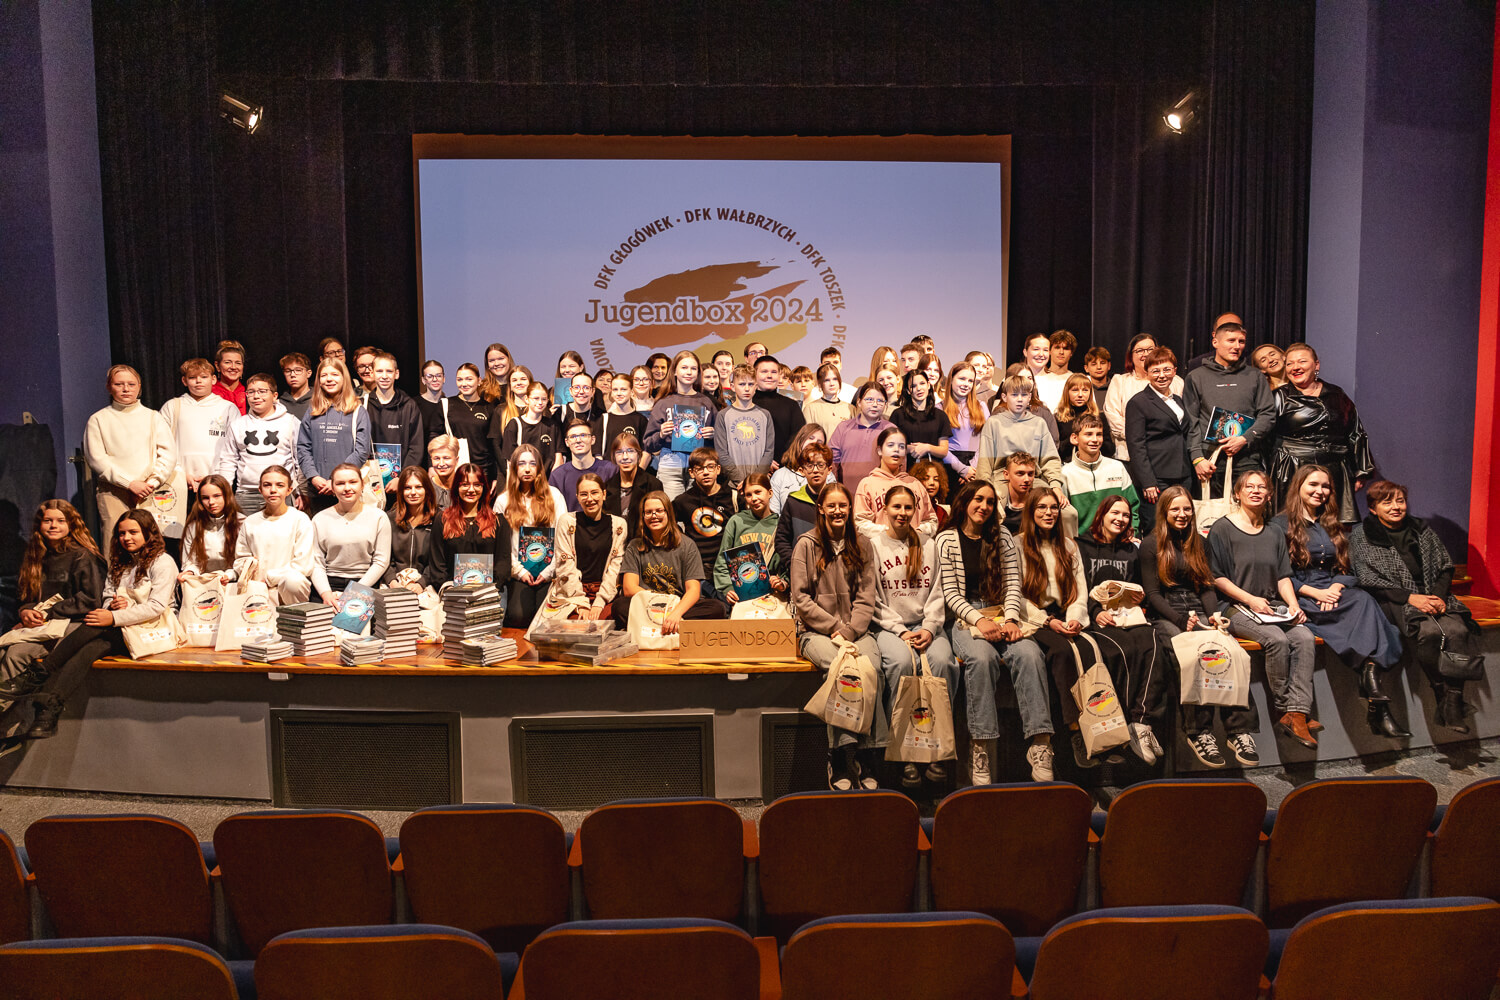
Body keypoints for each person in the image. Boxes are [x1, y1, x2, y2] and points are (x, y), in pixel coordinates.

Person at [0, 511, 177, 756]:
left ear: (148, 533)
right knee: (94, 647)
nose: (126, 538)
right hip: (119, 629)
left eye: (133, 532)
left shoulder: (163, 561)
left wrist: (113, 616)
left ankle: (42, 672)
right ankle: (50, 710)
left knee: (95, 625)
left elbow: (157, 606)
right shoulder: (120, 562)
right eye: (122, 533)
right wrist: (112, 607)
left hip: (151, 629)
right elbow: (106, 599)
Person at [934, 479, 1056, 782]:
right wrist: (979, 620)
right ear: (965, 501)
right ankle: (981, 749)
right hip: (965, 617)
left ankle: (1040, 746)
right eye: (978, 499)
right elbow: (950, 594)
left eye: (990, 502)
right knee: (981, 658)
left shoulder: (1002, 536)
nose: (984, 507)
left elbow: (1013, 583)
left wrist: (1012, 619)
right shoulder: (947, 539)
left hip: (1001, 611)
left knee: (1029, 654)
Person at [1276, 465, 1409, 738]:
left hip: (1333, 593)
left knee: (1362, 599)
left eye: (1325, 486)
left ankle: (1371, 682)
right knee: (1373, 619)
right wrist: (1316, 594)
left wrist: (1336, 586)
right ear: (1299, 487)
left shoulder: (1331, 523)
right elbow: (1279, 575)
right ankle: (1376, 701)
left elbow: (1350, 571)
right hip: (1304, 596)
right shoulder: (1279, 525)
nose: (1320, 491)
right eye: (1313, 485)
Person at [1351, 480, 1481, 733]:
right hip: (1394, 600)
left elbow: (1445, 566)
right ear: (1373, 508)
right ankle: (1443, 694)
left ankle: (1452, 699)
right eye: (1386, 502)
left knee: (1459, 631)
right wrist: (1411, 598)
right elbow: (1367, 579)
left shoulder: (1422, 530)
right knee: (1430, 633)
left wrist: (1438, 597)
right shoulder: (1362, 534)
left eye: (1400, 500)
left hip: (1433, 596)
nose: (1395, 507)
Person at [1014, 488, 1130, 769]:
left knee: (1092, 650)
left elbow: (1080, 590)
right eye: (1041, 507)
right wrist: (1047, 621)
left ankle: (1105, 731)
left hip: (1067, 615)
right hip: (1035, 618)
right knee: (1063, 652)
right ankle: (1077, 732)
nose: (1048, 513)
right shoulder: (1016, 545)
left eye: (1053, 507)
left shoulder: (1068, 545)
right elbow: (1015, 594)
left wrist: (1076, 616)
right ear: (1031, 512)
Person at [1141, 486, 1256, 768]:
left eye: (1187, 509)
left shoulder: (1200, 543)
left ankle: (1239, 730)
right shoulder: (1150, 544)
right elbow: (1153, 596)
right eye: (1175, 509)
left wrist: (1214, 615)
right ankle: (1199, 732)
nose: (1182, 514)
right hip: (1166, 614)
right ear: (1164, 512)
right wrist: (1181, 621)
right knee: (1195, 656)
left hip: (1197, 609)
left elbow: (1205, 585)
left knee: (1232, 652)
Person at [1207, 469, 1320, 748]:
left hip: (1272, 606)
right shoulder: (1222, 528)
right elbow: (1216, 576)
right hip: (1235, 607)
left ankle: (1298, 711)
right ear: (1237, 493)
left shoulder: (1273, 531)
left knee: (1304, 636)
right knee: (1276, 639)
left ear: (1269, 495)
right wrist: (1250, 599)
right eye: (1249, 487)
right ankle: (1285, 709)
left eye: (1261, 487)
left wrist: (1294, 606)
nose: (1255, 491)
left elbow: (1283, 576)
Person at [789, 482, 885, 789]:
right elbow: (801, 598)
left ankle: (865, 754)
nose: (837, 511)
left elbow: (867, 596)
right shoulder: (806, 544)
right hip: (816, 632)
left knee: (872, 667)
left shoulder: (863, 544)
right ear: (820, 509)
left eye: (842, 505)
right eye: (831, 505)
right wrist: (833, 628)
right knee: (840, 669)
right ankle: (842, 756)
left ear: (850, 508)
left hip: (855, 629)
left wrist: (851, 630)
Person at [867, 484, 960, 786]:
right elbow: (874, 599)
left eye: (909, 508)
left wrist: (931, 628)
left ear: (917, 511)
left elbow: (937, 593)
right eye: (897, 507)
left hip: (926, 625)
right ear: (885, 509)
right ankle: (904, 748)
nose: (903, 513)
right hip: (890, 626)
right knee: (901, 665)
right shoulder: (874, 545)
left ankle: (936, 747)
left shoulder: (928, 544)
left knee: (944, 662)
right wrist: (900, 631)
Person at [1075, 494, 1170, 764]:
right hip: (1095, 618)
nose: (1120, 519)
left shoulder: (1131, 550)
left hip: (1126, 615)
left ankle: (1140, 724)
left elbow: (1141, 587)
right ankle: (1120, 724)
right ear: (1102, 515)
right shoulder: (1081, 546)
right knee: (1123, 648)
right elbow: (1077, 589)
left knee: (1153, 640)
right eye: (1115, 513)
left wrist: (1139, 603)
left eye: (1126, 515)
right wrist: (1095, 612)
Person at [0, 501, 105, 698]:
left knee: (17, 655)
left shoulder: (82, 556)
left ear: (71, 524)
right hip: (44, 623)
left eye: (60, 521)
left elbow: (91, 600)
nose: (53, 526)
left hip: (75, 623)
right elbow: (27, 596)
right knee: (5, 651)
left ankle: (9, 722)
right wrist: (26, 611)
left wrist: (48, 612)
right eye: (48, 520)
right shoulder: (36, 554)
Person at [1268, 342, 1376, 522]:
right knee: (1293, 526)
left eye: (1301, 361)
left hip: (1334, 469)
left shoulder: (1336, 394)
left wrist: (1361, 470)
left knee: (1333, 527)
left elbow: (1354, 431)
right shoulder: (1279, 396)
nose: (1295, 367)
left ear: (1316, 365)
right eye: (1289, 363)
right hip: (1292, 468)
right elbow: (1265, 435)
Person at [85, 364, 176, 556]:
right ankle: (116, 586)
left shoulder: (154, 417)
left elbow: (168, 455)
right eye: (119, 384)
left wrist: (151, 483)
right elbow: (97, 459)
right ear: (110, 387)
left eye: (131, 384)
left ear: (139, 387)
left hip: (149, 492)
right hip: (114, 492)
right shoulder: (98, 420)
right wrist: (129, 483)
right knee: (115, 546)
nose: (126, 389)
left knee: (150, 545)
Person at [616, 490, 727, 630]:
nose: (654, 516)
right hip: (648, 604)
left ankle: (658, 625)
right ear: (643, 516)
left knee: (717, 608)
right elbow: (629, 588)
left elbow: (693, 590)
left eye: (659, 511)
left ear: (668, 513)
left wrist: (676, 613)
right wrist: (661, 606)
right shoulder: (635, 546)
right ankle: (673, 626)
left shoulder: (687, 545)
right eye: (649, 512)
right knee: (620, 607)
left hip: (678, 605)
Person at [1185, 321, 1276, 489]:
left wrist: (1244, 439)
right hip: (1210, 460)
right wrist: (1197, 457)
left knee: (1249, 512)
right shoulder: (1196, 377)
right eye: (1231, 340)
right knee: (1211, 513)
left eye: (1241, 341)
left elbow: (1268, 415)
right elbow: (1192, 421)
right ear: (1215, 342)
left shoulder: (1255, 376)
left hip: (1247, 458)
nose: (1237, 346)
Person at [974, 374, 1072, 531]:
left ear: (1030, 397)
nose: (1019, 399)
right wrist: (985, 486)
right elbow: (985, 461)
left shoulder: (1038, 423)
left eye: (1024, 394)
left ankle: (1063, 551)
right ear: (1005, 397)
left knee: (1068, 513)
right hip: (1002, 479)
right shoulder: (994, 423)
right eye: (1014, 395)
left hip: (1033, 478)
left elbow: (1050, 459)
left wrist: (1055, 486)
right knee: (994, 509)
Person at [1124, 347, 1194, 534]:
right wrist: (1147, 481)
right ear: (1147, 374)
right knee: (1157, 530)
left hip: (1183, 474)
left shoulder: (1178, 400)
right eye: (1155, 371)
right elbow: (1135, 444)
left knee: (1181, 528)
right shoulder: (1138, 402)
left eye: (1166, 370)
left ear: (1175, 371)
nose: (1161, 375)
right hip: (1156, 479)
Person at [495, 444, 566, 627]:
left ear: (540, 468)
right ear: (514, 468)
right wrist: (519, 571)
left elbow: (562, 537)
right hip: (519, 572)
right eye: (522, 463)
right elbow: (501, 546)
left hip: (550, 571)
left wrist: (549, 571)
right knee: (519, 616)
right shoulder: (503, 500)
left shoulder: (555, 496)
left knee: (545, 618)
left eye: (532, 464)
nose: (527, 469)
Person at [215, 372, 305, 515]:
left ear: (274, 396)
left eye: (262, 391)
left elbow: (300, 459)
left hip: (282, 493)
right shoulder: (238, 425)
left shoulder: (290, 422)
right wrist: (223, 492)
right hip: (246, 494)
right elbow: (228, 460)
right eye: (251, 392)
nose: (256, 396)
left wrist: (300, 491)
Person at [547, 473, 628, 620]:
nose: (589, 499)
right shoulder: (566, 521)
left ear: (604, 494)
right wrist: (581, 603)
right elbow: (564, 566)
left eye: (594, 493)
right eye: (584, 494)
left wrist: (599, 602)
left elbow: (615, 568)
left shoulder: (619, 525)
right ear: (577, 497)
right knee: (573, 629)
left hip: (605, 593)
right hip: (572, 593)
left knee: (604, 628)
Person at [310, 463, 391, 606]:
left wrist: (356, 591)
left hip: (365, 583)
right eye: (340, 483)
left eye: (353, 482)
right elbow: (316, 563)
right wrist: (326, 593)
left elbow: (381, 561)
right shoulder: (319, 519)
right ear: (333, 488)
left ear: (362, 485)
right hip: (328, 585)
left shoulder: (379, 517)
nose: (347, 488)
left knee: (353, 626)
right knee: (324, 627)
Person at [297, 358, 372, 514]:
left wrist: (337, 481)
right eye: (324, 375)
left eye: (334, 374)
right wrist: (314, 477)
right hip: (318, 489)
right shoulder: (312, 410)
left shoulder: (357, 410)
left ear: (343, 377)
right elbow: (303, 448)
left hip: (348, 489)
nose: (329, 379)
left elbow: (362, 451)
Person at [233, 466, 315, 605]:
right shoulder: (250, 522)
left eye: (280, 485)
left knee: (293, 580)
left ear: (289, 490)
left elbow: (303, 565)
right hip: (257, 586)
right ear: (260, 489)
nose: (273, 490)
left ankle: (293, 619)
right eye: (267, 485)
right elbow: (241, 558)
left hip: (288, 588)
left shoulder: (300, 519)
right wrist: (254, 576)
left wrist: (270, 578)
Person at [645, 350, 717, 501]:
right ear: (675, 371)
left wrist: (713, 435)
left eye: (693, 368)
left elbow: (721, 442)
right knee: (672, 511)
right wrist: (661, 434)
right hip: (670, 463)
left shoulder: (706, 402)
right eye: (684, 367)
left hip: (699, 464)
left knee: (697, 514)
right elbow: (648, 444)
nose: (689, 372)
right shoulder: (664, 403)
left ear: (698, 373)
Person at [161, 358, 240, 494]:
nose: (198, 381)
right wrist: (180, 474)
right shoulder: (172, 406)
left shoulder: (228, 408)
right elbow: (162, 445)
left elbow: (235, 449)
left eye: (204, 377)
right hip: (179, 482)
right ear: (184, 381)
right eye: (192, 377)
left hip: (217, 484)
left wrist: (217, 478)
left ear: (213, 379)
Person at [428, 463, 511, 591]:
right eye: (465, 484)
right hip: (453, 593)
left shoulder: (498, 521)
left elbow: (503, 563)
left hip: (490, 593)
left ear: (484, 488)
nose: (471, 490)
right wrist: (450, 590)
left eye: (477, 485)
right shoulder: (442, 519)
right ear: (456, 487)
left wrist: (489, 590)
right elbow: (437, 563)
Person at [1104, 333, 1183, 466]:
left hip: (1168, 454)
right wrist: (1143, 436)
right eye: (1140, 350)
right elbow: (1113, 417)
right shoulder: (1120, 381)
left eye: (1150, 349)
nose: (1145, 354)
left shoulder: (1176, 381)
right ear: (1131, 355)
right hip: (1129, 454)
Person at [853, 428, 939, 539]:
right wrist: (889, 534)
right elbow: (860, 523)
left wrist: (916, 533)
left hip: (913, 549)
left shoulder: (915, 484)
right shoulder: (867, 484)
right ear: (879, 450)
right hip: (881, 550)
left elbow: (931, 520)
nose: (896, 450)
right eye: (890, 445)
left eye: (901, 447)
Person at [1061, 414, 1139, 536]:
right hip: (1081, 544)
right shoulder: (1065, 473)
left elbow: (1132, 506)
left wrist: (1131, 534)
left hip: (1116, 541)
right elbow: (1063, 517)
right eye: (1088, 434)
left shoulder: (1117, 467)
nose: (1095, 439)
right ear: (1074, 438)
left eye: (1099, 434)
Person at [713, 473, 785, 602]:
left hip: (773, 594)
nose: (754, 498)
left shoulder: (780, 524)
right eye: (748, 494)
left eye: (758, 492)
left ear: (770, 492)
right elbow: (722, 561)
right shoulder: (737, 521)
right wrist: (727, 588)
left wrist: (783, 581)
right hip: (742, 595)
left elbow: (788, 562)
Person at [364, 352, 425, 482]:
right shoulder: (362, 405)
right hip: (370, 479)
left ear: (396, 374)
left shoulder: (409, 406)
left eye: (389, 371)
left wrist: (402, 477)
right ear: (372, 374)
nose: (384, 376)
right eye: (379, 371)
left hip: (401, 481)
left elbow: (416, 447)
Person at [493, 380, 563, 485]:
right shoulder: (514, 425)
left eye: (543, 399)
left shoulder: (552, 426)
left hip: (546, 484)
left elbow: (559, 460)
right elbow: (510, 462)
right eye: (535, 398)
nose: (540, 402)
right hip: (522, 484)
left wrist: (549, 485)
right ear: (527, 399)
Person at [714, 364, 775, 484]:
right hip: (734, 484)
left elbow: (769, 451)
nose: (747, 389)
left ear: (756, 386)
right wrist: (740, 480)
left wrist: (755, 480)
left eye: (751, 384)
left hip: (759, 483)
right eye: (742, 384)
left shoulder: (765, 415)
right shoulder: (723, 415)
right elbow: (722, 453)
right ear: (732, 386)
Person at [177, 475, 242, 581]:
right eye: (205, 498)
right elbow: (190, 562)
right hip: (204, 583)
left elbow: (244, 560)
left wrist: (229, 575)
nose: (211, 502)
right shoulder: (193, 526)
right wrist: (189, 572)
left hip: (234, 583)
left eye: (217, 496)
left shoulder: (242, 523)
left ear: (226, 495)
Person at [829, 384, 895, 487]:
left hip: (881, 495)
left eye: (880, 401)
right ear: (859, 402)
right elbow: (832, 462)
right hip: (847, 495)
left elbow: (899, 464)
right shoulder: (843, 428)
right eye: (869, 399)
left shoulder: (891, 430)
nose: (875, 404)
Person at [439, 363, 496, 479]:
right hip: (456, 470)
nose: (464, 384)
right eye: (459, 379)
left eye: (469, 379)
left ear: (479, 380)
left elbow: (493, 444)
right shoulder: (446, 405)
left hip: (483, 471)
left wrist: (495, 476)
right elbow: (436, 437)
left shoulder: (489, 408)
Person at [384, 466, 438, 590]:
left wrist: (421, 583)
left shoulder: (438, 519)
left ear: (427, 489)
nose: (413, 492)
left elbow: (439, 560)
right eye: (407, 488)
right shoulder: (388, 518)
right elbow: (382, 557)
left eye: (418, 487)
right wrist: (392, 581)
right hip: (393, 584)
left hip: (427, 585)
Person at [602, 432, 662, 540]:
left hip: (644, 544)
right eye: (619, 452)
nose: (625, 457)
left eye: (630, 451)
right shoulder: (607, 486)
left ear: (638, 455)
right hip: (614, 545)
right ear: (614, 457)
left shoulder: (653, 484)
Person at [550, 418, 617, 512]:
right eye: (573, 436)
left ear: (592, 439)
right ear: (567, 442)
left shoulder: (610, 470)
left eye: (583, 435)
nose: (578, 440)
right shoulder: (557, 476)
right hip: (569, 526)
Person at [942, 361, 986, 496]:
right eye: (962, 379)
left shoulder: (982, 406)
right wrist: (961, 469)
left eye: (970, 381)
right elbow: (939, 446)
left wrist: (971, 469)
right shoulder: (939, 408)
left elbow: (986, 440)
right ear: (951, 379)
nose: (966, 384)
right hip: (950, 466)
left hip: (976, 467)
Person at [751, 355, 808, 459]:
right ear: (754, 375)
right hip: (751, 466)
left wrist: (782, 460)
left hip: (784, 467)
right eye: (764, 372)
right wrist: (764, 461)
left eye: (774, 372)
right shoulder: (745, 404)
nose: (769, 376)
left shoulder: (791, 405)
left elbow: (799, 436)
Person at [890, 370, 951, 466]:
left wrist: (927, 448)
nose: (919, 388)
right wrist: (910, 449)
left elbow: (944, 451)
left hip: (933, 473)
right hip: (905, 472)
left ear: (928, 385)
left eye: (922, 383)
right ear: (908, 391)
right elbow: (892, 446)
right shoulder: (898, 415)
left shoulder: (941, 416)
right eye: (913, 386)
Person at [1053, 373, 1114, 464]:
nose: (1080, 395)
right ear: (1067, 392)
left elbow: (1110, 450)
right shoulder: (1059, 418)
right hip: (1068, 465)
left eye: (1085, 390)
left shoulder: (1099, 416)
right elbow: (1055, 450)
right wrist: (1074, 440)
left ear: (1090, 393)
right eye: (1075, 390)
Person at [769, 424, 827, 514]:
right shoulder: (780, 475)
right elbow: (774, 514)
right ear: (800, 441)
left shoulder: (827, 475)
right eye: (811, 438)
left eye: (819, 442)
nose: (814, 443)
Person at [802, 362, 852, 439]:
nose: (832, 383)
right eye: (827, 380)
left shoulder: (850, 408)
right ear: (820, 384)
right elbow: (807, 438)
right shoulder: (810, 409)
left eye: (835, 379)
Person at [601, 372, 648, 452]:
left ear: (632, 392)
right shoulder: (603, 419)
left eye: (623, 389)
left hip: (635, 464)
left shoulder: (641, 420)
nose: (619, 393)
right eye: (615, 390)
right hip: (608, 464)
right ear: (611, 392)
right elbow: (598, 454)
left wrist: (639, 465)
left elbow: (646, 452)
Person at [997, 451, 1038, 536]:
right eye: (1020, 473)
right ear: (1006, 474)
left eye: (1030, 474)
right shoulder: (997, 501)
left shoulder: (1037, 501)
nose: (1027, 479)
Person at [1033, 330, 1075, 412]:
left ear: (1071, 353)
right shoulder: (1037, 379)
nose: (1061, 352)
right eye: (1057, 347)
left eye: (1066, 348)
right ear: (1049, 351)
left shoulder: (1076, 380)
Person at [414, 359, 447, 448]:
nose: (435, 379)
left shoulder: (449, 405)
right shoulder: (414, 405)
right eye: (430, 376)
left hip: (443, 458)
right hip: (420, 458)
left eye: (438, 376)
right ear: (423, 380)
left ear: (444, 378)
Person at [911, 458, 949, 531]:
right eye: (925, 478)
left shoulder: (941, 512)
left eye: (936, 479)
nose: (932, 483)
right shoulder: (909, 508)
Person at [212, 340, 247, 414]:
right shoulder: (209, 393)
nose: (233, 367)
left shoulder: (250, 392)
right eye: (227, 362)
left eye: (238, 363)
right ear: (217, 365)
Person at [426, 435, 460, 508]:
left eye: (446, 458)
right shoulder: (426, 487)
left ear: (456, 460)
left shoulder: (464, 486)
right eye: (436, 458)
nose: (441, 464)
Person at [477, 342, 515, 407]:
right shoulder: (480, 389)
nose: (496, 363)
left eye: (501, 359)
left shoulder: (520, 386)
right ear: (487, 365)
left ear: (509, 360)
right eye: (491, 361)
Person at [279, 353, 315, 421]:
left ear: (308, 373)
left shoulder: (319, 400)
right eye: (288, 371)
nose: (292, 374)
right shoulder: (279, 404)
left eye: (298, 370)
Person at [1082, 346, 1111, 412]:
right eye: (1094, 364)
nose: (1099, 367)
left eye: (1102, 363)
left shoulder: (1116, 387)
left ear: (1109, 366)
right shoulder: (1082, 390)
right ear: (1086, 368)